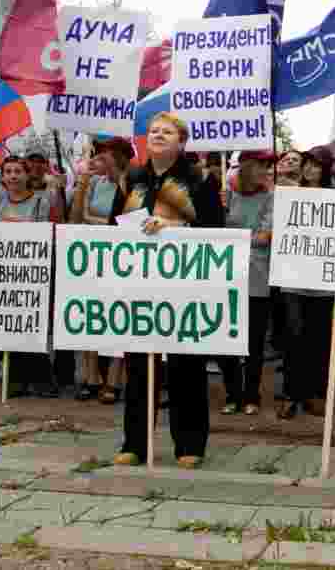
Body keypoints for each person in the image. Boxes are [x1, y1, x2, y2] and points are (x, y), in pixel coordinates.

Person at [110, 113, 223, 469]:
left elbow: (214, 228)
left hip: (184, 284)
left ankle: (190, 444)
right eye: (153, 131)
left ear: (181, 141)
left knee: (185, 363)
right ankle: (135, 443)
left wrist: (172, 227)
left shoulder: (199, 178)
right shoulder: (132, 178)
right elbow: (117, 223)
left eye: (167, 131)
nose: (158, 135)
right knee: (139, 363)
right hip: (139, 284)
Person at [0, 155, 53, 396]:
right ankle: (15, 379)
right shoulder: (0, 199)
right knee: (10, 327)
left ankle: (41, 378)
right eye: (8, 172)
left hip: (31, 273)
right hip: (3, 273)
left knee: (31, 326)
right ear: (3, 177)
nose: (12, 176)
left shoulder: (41, 201)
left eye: (17, 171)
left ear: (26, 174)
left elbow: (44, 232)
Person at [70, 138, 134, 404]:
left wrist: (97, 222)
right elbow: (76, 219)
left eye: (104, 154)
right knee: (92, 314)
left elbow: (127, 222)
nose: (98, 159)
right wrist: (82, 184)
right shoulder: (95, 183)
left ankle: (114, 380)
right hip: (93, 257)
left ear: (119, 157)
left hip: (122, 260)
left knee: (119, 317)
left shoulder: (134, 185)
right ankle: (91, 377)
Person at [277, 147, 335, 420]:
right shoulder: (288, 193)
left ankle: (313, 394)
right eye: (307, 164)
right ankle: (291, 394)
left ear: (324, 169)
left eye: (316, 165)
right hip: (293, 277)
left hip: (322, 279)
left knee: (318, 339)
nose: (310, 169)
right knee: (293, 336)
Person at [220, 150, 275, 416]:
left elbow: (266, 236)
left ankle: (251, 394)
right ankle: (232, 393)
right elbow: (219, 231)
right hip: (228, 275)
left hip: (257, 277)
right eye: (262, 165)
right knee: (227, 339)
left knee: (254, 342)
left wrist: (236, 239)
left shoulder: (271, 197)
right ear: (248, 167)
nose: (266, 170)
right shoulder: (227, 195)